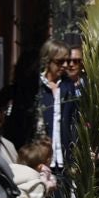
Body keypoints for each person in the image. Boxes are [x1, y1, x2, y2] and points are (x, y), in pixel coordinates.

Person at [34, 39, 79, 172]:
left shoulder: (68, 86)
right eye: (60, 61)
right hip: (40, 158)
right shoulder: (38, 87)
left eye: (67, 60)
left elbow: (74, 119)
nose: (65, 65)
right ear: (48, 61)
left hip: (64, 159)